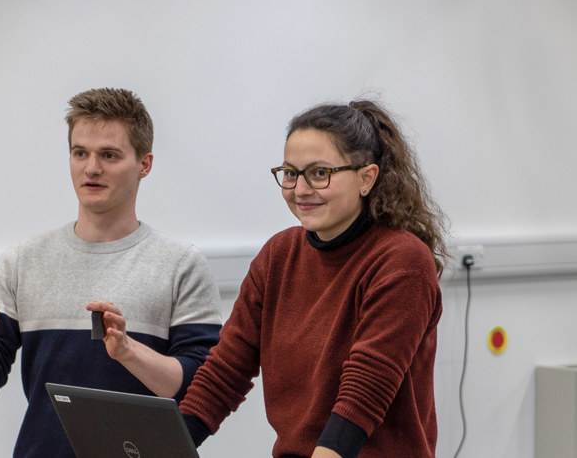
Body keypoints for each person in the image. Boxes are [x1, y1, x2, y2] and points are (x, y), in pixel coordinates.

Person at [0, 87, 223, 457]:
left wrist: (128, 351)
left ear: (144, 164)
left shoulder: (181, 264)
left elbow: (197, 389)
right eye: (80, 153)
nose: (91, 168)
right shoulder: (24, 260)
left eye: (109, 155)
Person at [180, 100, 448, 458]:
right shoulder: (278, 255)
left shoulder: (402, 260)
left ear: (366, 178)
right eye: (291, 173)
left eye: (319, 173)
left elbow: (363, 394)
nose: (301, 189)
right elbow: (225, 372)